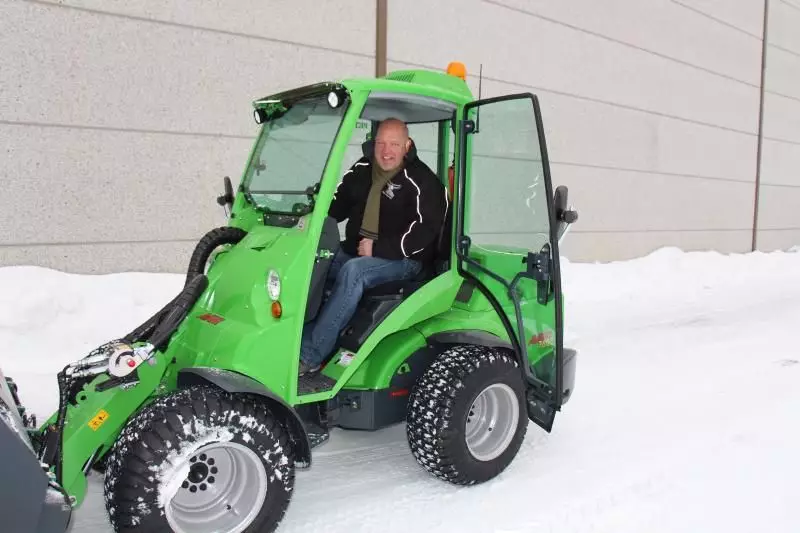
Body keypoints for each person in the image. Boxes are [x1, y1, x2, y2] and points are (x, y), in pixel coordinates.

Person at [299, 118, 447, 375]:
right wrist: (308, 217)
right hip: (357, 250)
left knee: (354, 272)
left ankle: (311, 355)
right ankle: (292, 337)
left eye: (394, 144)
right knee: (312, 259)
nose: (386, 151)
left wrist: (377, 249)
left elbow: (426, 231)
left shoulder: (422, 181)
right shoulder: (362, 168)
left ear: (407, 145)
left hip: (404, 261)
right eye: (381, 143)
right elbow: (337, 204)